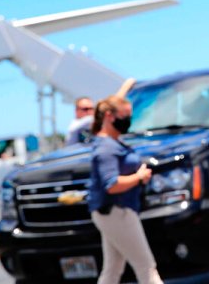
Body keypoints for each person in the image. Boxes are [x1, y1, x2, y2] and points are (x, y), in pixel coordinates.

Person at [86, 96, 163, 284]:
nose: (128, 120)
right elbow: (111, 184)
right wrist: (139, 177)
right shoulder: (106, 148)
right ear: (109, 116)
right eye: (125, 115)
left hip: (116, 211)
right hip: (117, 211)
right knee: (146, 267)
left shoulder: (112, 143)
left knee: (112, 270)